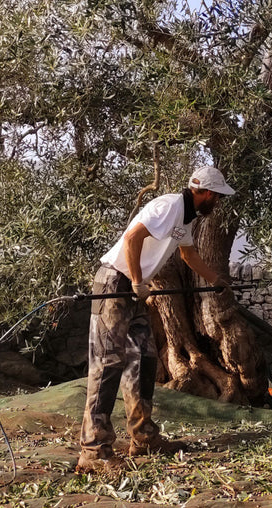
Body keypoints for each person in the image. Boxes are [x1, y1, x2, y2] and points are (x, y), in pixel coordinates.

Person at [78, 167, 234, 473]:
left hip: (135, 290)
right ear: (207, 193)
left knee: (143, 360)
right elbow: (133, 236)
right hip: (116, 283)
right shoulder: (169, 206)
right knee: (108, 364)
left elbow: (189, 256)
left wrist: (216, 280)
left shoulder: (185, 218)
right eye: (216, 197)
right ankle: (94, 450)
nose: (217, 203)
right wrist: (137, 282)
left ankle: (144, 437)